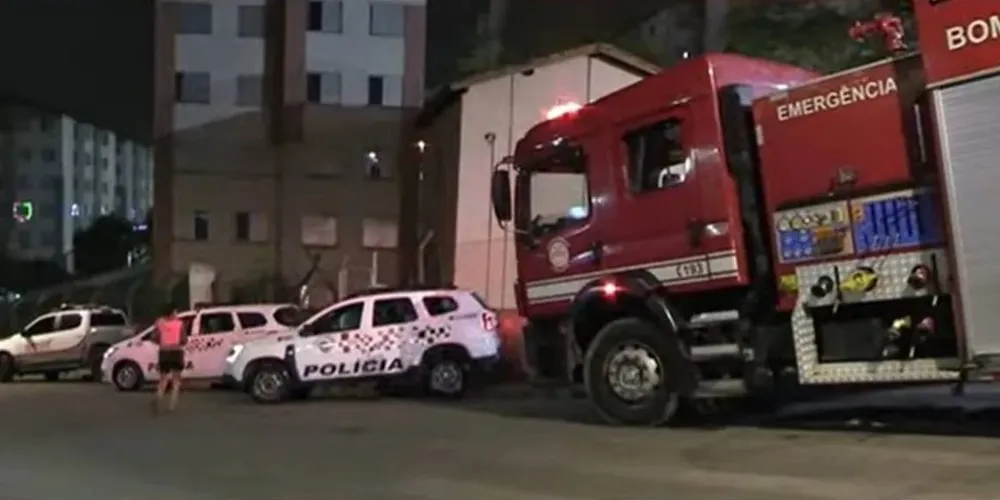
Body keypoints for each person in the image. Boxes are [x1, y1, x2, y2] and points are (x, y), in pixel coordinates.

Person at [151, 308, 187, 415]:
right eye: (175, 312)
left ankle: (158, 397)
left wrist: (162, 341)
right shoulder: (179, 323)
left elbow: (153, 337)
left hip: (164, 352)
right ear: (172, 313)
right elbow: (183, 339)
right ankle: (172, 405)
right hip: (176, 352)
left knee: (163, 379)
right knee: (176, 380)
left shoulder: (159, 323)